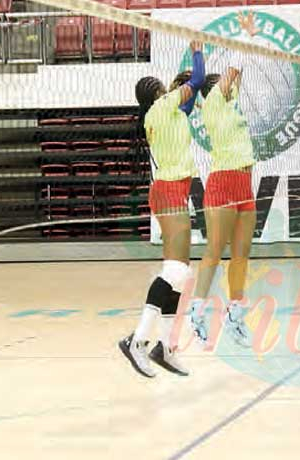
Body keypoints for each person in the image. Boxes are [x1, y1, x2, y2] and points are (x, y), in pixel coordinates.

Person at [118, 41, 205, 378]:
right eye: (160, 84)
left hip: (174, 190)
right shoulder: (161, 107)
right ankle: (137, 340)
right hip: (169, 191)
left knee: (182, 273)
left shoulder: (165, 113)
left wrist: (186, 90)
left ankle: (165, 347)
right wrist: (197, 50)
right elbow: (197, 79)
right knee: (173, 270)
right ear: (155, 92)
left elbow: (187, 103)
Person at [185, 66, 256, 348]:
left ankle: (235, 315)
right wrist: (245, 37)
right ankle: (197, 312)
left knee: (241, 253)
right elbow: (233, 70)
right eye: (224, 86)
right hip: (223, 181)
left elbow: (237, 77)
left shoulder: (230, 103)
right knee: (215, 249)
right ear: (214, 90)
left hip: (244, 182)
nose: (229, 87)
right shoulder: (213, 102)